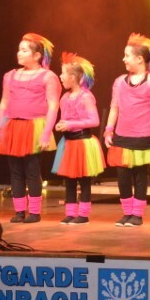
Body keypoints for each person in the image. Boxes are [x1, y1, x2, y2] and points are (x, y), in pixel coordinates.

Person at [0, 33, 61, 223]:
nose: (19, 53)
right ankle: (19, 211)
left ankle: (35, 212)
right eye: (19, 49)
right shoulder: (10, 76)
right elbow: (4, 103)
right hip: (13, 126)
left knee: (32, 169)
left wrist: (46, 133)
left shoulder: (48, 76)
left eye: (24, 50)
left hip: (34, 126)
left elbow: (53, 105)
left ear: (37, 55)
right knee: (15, 171)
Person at [104, 34, 150, 227]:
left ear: (139, 59)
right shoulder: (119, 81)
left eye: (127, 55)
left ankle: (137, 214)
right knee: (122, 176)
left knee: (139, 176)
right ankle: (126, 212)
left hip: (144, 136)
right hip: (122, 135)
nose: (123, 59)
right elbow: (114, 107)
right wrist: (108, 130)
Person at [52, 53, 106, 225]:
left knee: (84, 180)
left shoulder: (86, 96)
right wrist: (61, 125)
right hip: (68, 143)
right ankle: (70, 213)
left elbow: (94, 121)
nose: (60, 76)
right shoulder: (64, 97)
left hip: (82, 143)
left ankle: (83, 214)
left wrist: (70, 124)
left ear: (73, 77)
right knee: (69, 180)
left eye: (63, 73)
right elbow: (65, 119)